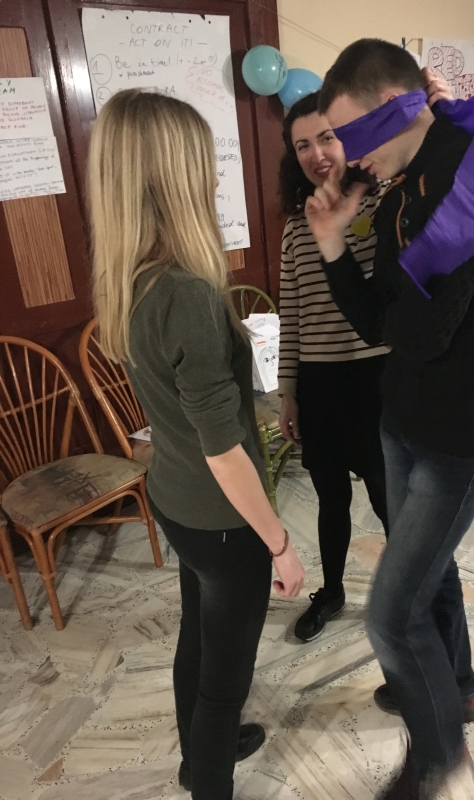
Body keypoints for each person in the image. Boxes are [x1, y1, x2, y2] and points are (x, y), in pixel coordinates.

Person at [305, 40, 474, 798]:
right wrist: (334, 244)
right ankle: (454, 690)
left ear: (393, 107)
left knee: (391, 615)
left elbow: (420, 333)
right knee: (429, 574)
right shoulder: (404, 182)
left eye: (350, 134)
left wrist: (352, 256)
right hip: (404, 416)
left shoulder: (472, 178)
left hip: (460, 434)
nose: (345, 156)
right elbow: (384, 322)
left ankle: (439, 758)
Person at [87, 89, 305, 800]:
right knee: (225, 680)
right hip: (220, 517)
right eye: (204, 164)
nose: (213, 178)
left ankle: (197, 756)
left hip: (175, 499)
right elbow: (223, 450)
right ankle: (209, 776)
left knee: (199, 635)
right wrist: (278, 543)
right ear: (174, 177)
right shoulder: (186, 293)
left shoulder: (129, 279)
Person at [277, 72, 457, 643]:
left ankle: (408, 599)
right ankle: (330, 593)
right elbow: (292, 315)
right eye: (302, 145)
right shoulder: (294, 229)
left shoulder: (385, 203)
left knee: (390, 501)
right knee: (330, 500)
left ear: (348, 138)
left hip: (377, 379)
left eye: (326, 138)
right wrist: (288, 391)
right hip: (320, 385)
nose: (316, 154)